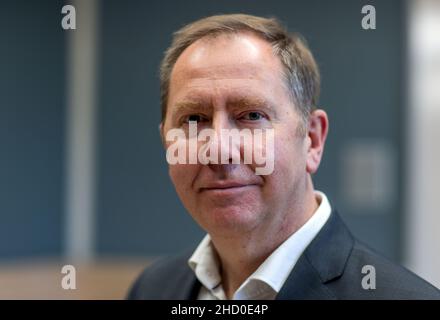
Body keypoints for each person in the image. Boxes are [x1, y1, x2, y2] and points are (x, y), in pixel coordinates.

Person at [128, 14, 440, 300]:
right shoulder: (153, 289)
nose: (219, 150)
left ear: (312, 140)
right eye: (193, 120)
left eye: (251, 115)